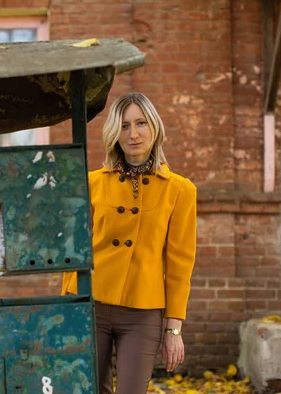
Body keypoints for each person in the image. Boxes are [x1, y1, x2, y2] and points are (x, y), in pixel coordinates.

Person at [61, 93, 197, 394]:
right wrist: (66, 307)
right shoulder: (91, 183)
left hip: (143, 310)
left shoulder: (180, 191)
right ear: (113, 133)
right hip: (88, 303)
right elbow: (73, 251)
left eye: (140, 123)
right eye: (123, 126)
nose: (133, 134)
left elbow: (180, 263)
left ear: (155, 128)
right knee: (86, 390)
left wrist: (173, 328)